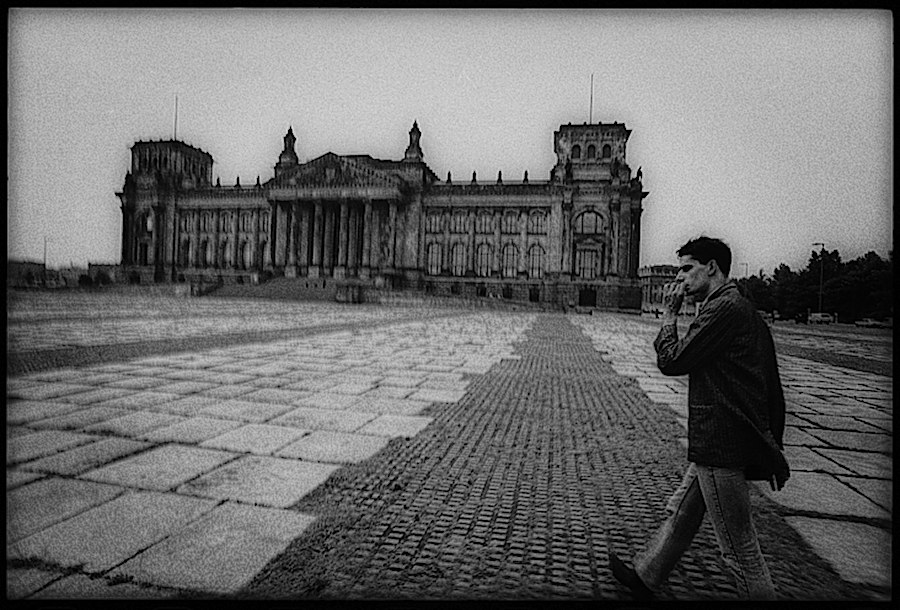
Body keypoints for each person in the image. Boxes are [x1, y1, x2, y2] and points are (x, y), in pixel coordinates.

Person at [609, 236, 790, 601]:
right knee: (683, 513)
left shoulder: (722, 309)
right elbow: (772, 384)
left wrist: (670, 315)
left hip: (721, 442)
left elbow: (673, 360)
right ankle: (647, 576)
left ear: (712, 267)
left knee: (741, 550)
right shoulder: (739, 306)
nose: (682, 279)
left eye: (688, 269)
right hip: (723, 437)